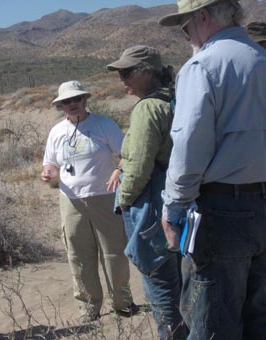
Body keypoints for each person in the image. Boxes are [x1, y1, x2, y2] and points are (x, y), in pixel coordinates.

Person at [159, 1, 266, 339]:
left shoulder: (202, 67)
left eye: (185, 26)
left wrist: (173, 208)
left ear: (202, 17)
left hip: (220, 213)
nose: (186, 35)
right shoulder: (262, 60)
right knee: (258, 320)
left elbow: (189, 148)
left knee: (212, 325)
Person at [106, 46, 187, 340]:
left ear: (148, 72)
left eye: (127, 72)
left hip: (149, 204)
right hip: (173, 198)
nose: (121, 79)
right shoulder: (173, 100)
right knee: (177, 280)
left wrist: (124, 201)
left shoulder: (148, 108)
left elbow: (139, 167)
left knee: (159, 283)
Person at [41, 80, 136, 321]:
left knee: (113, 253)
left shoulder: (103, 124)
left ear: (85, 100)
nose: (73, 104)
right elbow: (50, 163)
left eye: (77, 99)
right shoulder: (56, 131)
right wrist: (49, 172)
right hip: (71, 200)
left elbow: (126, 154)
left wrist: (118, 171)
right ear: (61, 106)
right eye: (67, 101)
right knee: (78, 254)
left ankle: (122, 303)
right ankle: (88, 306)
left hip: (104, 197)